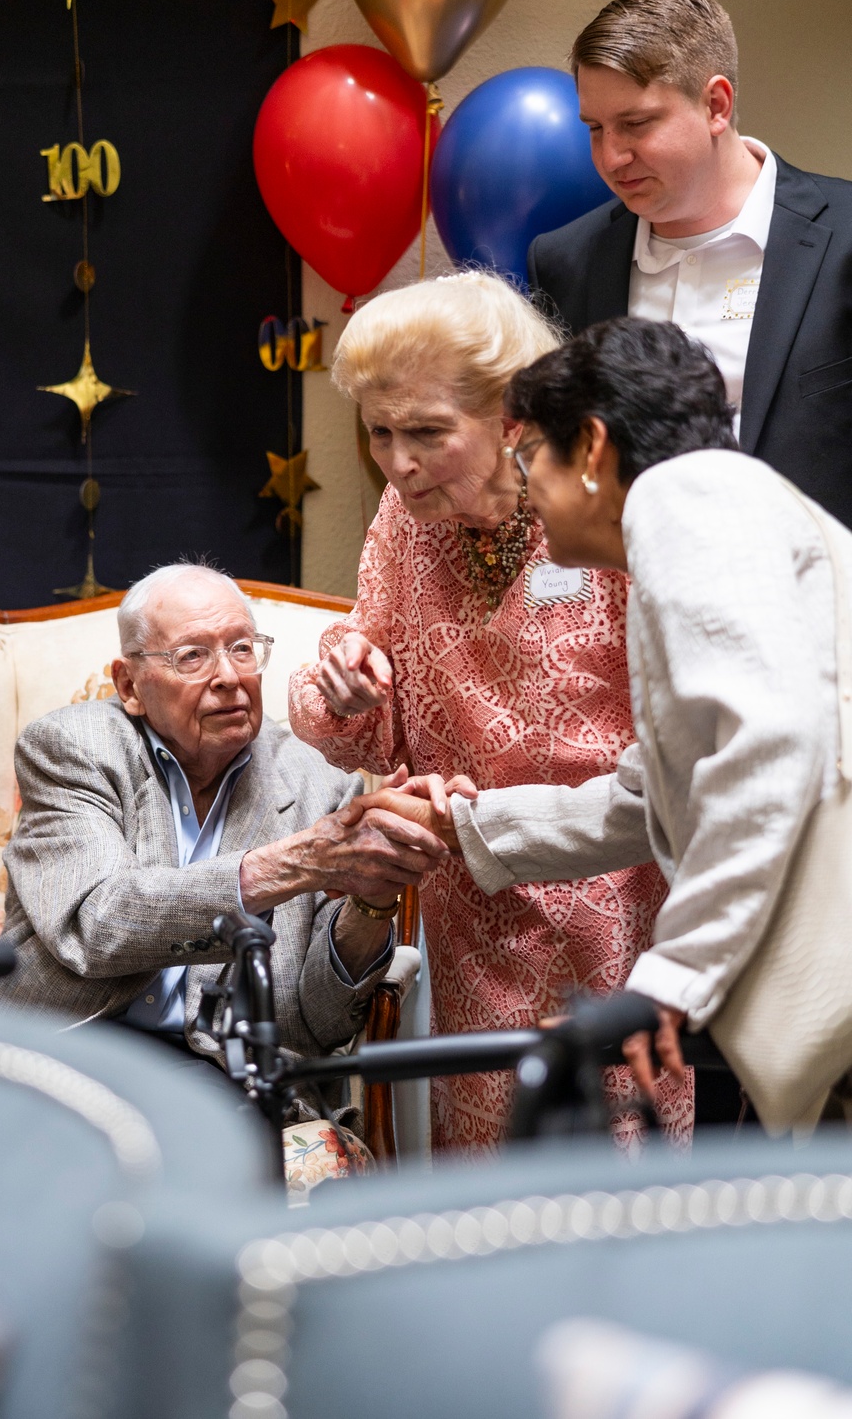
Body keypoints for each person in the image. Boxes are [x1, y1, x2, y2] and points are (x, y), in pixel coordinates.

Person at [356, 316, 852, 1101]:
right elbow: (650, 798)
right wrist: (470, 828)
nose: (530, 493)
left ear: (590, 449)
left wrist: (670, 978)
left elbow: (771, 743)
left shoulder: (680, 494)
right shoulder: (716, 508)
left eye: (530, 459)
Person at [288, 272, 691, 1155]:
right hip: (471, 907)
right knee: (489, 1177)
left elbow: (675, 753)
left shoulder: (597, 507)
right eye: (380, 432)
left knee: (624, 1169)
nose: (398, 462)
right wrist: (347, 682)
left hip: (614, 892)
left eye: (428, 433)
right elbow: (371, 723)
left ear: (513, 417)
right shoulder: (405, 518)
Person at [0, 562, 447, 1086]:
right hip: (59, 1056)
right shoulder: (72, 749)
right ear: (129, 684)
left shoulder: (320, 783)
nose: (229, 677)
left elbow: (319, 1025)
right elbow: (100, 928)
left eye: (242, 648)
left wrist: (374, 897)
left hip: (224, 1077)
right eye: (192, 656)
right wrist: (304, 859)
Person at [527, 0, 852, 530]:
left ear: (716, 105)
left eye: (636, 124)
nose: (611, 157)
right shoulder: (565, 261)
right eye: (595, 129)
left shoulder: (843, 238)